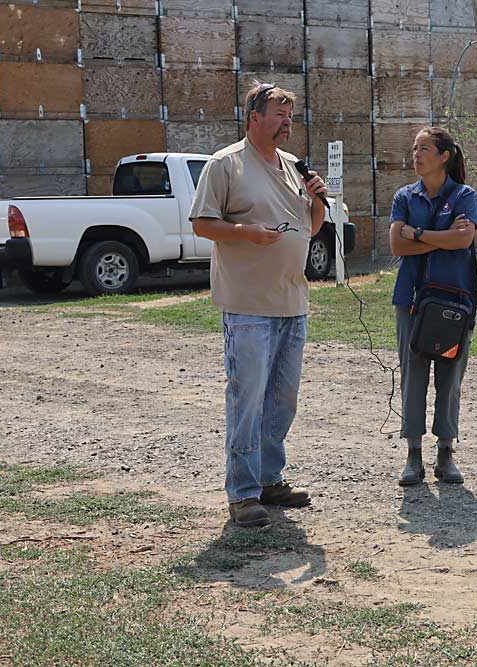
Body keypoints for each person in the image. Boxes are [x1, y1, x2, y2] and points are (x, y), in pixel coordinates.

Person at [189, 82, 328, 527]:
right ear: (254, 117)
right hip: (248, 305)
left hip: (292, 299)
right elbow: (202, 223)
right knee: (247, 399)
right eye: (280, 115)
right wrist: (247, 232)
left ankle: (270, 480)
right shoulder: (225, 165)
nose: (288, 123)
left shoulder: (292, 166)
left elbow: (311, 225)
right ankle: (243, 494)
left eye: (291, 116)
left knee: (282, 400)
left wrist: (316, 199)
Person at [388, 127, 477, 487]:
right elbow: (397, 245)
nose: (416, 154)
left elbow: (464, 238)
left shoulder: (464, 195)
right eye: (414, 148)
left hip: (455, 300)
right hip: (410, 299)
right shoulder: (404, 197)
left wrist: (419, 234)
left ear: (444, 156)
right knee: (413, 376)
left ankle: (446, 453)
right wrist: (439, 239)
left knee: (450, 378)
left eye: (424, 148)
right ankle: (413, 456)